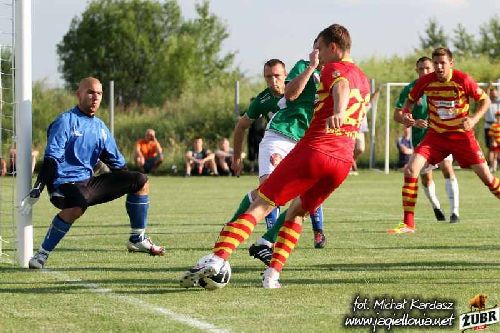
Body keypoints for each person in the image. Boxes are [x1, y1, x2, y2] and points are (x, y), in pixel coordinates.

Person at [181, 24, 370, 289]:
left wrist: (337, 109)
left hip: (316, 150)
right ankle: (272, 276)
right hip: (342, 162)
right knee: (296, 213)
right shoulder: (363, 76)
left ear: (333, 47)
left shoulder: (334, 68)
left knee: (262, 203)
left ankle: (218, 257)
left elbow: (340, 85)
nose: (316, 54)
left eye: (319, 48)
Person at [19, 77, 165, 269]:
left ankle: (137, 238)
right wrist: (38, 188)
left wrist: (125, 181)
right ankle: (41, 255)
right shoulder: (65, 121)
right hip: (63, 185)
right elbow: (51, 158)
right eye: (90, 92)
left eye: (99, 93)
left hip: (88, 184)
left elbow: (118, 164)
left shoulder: (100, 128)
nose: (95, 97)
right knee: (78, 204)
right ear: (78, 94)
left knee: (139, 180)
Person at [388, 47, 498, 235]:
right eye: (436, 63)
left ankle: (453, 211)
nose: (438, 67)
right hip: (436, 135)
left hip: (462, 137)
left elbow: (485, 100)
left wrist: (472, 119)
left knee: (488, 179)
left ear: (451, 64)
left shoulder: (463, 79)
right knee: (411, 169)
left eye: (442, 63)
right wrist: (407, 115)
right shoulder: (424, 82)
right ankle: (408, 224)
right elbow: (409, 104)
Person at [393, 56, 460, 223]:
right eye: (421, 68)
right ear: (417, 71)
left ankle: (455, 212)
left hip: (442, 136)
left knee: (447, 167)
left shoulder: (444, 86)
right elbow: (397, 115)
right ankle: (436, 207)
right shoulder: (410, 90)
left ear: (433, 68)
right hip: (421, 141)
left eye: (427, 68)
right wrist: (414, 122)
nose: (424, 71)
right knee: (426, 177)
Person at [228, 59, 286, 229]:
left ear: (286, 75)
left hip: (299, 145)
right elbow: (240, 127)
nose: (273, 80)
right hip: (275, 145)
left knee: (307, 187)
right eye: (268, 77)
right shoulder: (263, 99)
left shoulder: (299, 90)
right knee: (268, 188)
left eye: (277, 75)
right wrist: (237, 157)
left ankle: (318, 231)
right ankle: (268, 239)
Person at [351, 87, 380, 175]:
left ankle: (352, 160)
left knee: (360, 148)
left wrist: (377, 92)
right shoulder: (351, 104)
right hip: (350, 129)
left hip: (360, 130)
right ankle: (349, 166)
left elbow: (372, 99)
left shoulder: (364, 106)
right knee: (349, 149)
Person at [484, 85, 500, 171]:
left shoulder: (498, 102)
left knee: (498, 148)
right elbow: (486, 96)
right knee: (491, 147)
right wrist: (489, 88)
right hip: (489, 127)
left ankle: (495, 165)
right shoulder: (487, 102)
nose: (494, 94)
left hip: (498, 128)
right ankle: (490, 165)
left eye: (495, 92)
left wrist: (497, 85)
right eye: (492, 92)